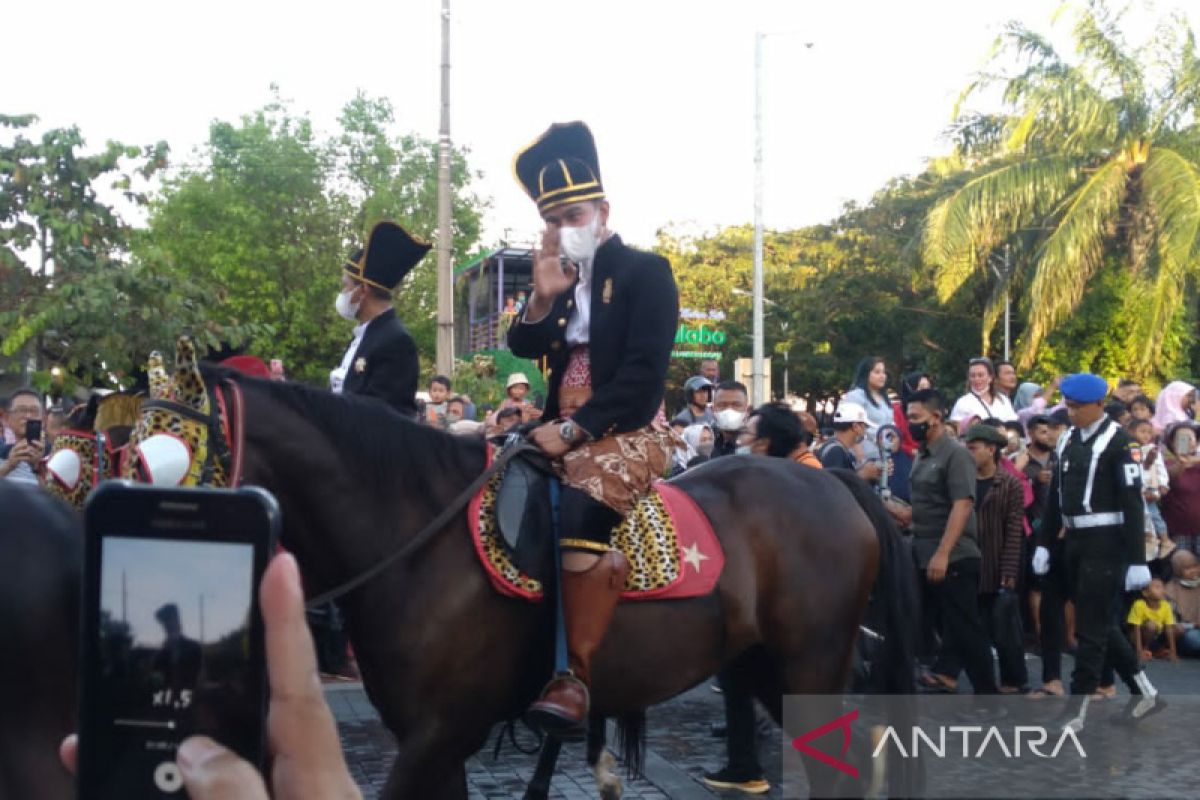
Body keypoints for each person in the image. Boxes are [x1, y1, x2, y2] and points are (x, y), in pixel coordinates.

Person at [508, 121, 678, 738]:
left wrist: (576, 431)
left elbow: (641, 377)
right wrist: (542, 299)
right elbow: (524, 343)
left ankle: (573, 677)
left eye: (572, 214)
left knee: (579, 513)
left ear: (603, 210)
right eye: (551, 220)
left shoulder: (644, 271)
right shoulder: (562, 280)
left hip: (629, 426)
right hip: (561, 423)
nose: (561, 230)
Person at [60, 553, 362, 799]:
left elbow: (187, 674)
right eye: (164, 623)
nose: (167, 627)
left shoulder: (183, 647)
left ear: (173, 621)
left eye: (168, 622)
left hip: (191, 710)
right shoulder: (165, 649)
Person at [1031, 373, 1160, 731]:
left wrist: (1136, 560)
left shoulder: (1121, 443)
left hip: (1106, 543)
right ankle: (1145, 693)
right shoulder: (1068, 440)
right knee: (1100, 622)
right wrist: (1044, 543)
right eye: (1068, 406)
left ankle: (1078, 709)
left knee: (1090, 629)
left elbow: (1133, 504)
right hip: (1073, 540)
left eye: (1077, 407)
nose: (1070, 413)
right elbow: (1057, 495)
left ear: (1099, 405)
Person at [893, 389, 998, 696]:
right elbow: (928, 507)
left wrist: (943, 554)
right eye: (908, 418)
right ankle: (944, 675)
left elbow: (962, 505)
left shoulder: (956, 454)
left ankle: (988, 696)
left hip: (953, 556)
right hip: (923, 551)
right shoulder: (922, 455)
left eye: (916, 418)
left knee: (966, 629)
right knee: (935, 623)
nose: (910, 424)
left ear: (936, 417)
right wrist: (899, 513)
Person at [329, 220, 430, 418]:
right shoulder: (365, 335)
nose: (343, 293)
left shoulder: (395, 341)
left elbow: (387, 417)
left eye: (346, 286)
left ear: (362, 291)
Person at [963, 424, 1028, 692]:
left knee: (1005, 626)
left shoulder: (1009, 483)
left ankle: (1014, 679)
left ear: (991, 450)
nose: (969, 453)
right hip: (969, 561)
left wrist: (1009, 569)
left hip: (998, 562)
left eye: (973, 448)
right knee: (971, 625)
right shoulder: (963, 479)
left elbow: (1014, 530)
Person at [1129, 418, 1173, 564]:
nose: (1146, 435)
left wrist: (1163, 484)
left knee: (1154, 515)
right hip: (1136, 491)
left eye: (1149, 432)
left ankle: (1165, 539)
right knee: (1141, 519)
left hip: (1150, 489)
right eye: (1142, 431)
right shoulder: (1130, 450)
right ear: (1131, 432)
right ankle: (1148, 543)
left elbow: (1160, 468)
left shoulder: (1152, 450)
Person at [842, 356, 894, 462]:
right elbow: (850, 427)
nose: (882, 376)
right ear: (866, 374)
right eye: (877, 372)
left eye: (883, 372)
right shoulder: (856, 396)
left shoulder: (884, 398)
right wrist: (860, 457)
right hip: (864, 457)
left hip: (884, 456)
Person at [817, 402, 883, 484]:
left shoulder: (837, 448)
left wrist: (873, 472)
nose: (865, 432)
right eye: (865, 427)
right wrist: (862, 474)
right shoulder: (835, 451)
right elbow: (835, 485)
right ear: (855, 427)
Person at [1161, 421, 1200, 555]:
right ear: (1172, 443)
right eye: (1182, 439)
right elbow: (1170, 476)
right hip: (1179, 530)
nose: (1187, 442)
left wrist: (1194, 460)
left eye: (1190, 438)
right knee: (1182, 566)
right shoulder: (1165, 464)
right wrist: (1182, 461)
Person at [950, 357, 1018, 423]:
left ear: (990, 378)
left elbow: (1013, 424)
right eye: (972, 376)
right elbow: (956, 428)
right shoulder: (963, 402)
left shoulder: (1004, 401)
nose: (976, 379)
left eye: (980, 375)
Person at [1127, 578, 1179, 661]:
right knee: (1151, 625)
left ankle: (1158, 650)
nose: (1162, 590)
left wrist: (1173, 651)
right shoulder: (1139, 605)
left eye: (1163, 587)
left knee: (1177, 629)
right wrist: (1139, 652)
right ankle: (1144, 650)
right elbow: (1136, 628)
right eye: (1157, 588)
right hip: (1140, 636)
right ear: (1145, 593)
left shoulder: (1166, 605)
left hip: (1157, 635)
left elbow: (1169, 628)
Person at [0, 388, 45, 485]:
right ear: (7, 419)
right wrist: (9, 466)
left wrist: (38, 466)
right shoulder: (1, 453)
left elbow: (56, 497)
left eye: (34, 411)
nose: (28, 416)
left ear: (43, 419)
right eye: (21, 410)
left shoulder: (53, 456)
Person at [1164, 550, 1200, 657]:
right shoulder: (1170, 590)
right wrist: (1193, 625)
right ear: (1178, 570)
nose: (1193, 571)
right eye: (1187, 568)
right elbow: (1172, 623)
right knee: (1194, 640)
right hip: (1187, 632)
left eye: (1195, 566)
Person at [738, 402, 803, 458]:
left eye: (744, 432)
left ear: (762, 444)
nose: (738, 440)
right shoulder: (794, 470)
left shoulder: (743, 471)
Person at [711, 381, 750, 458]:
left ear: (747, 410)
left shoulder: (754, 445)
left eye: (736, 405)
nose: (729, 410)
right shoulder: (709, 442)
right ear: (713, 409)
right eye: (722, 405)